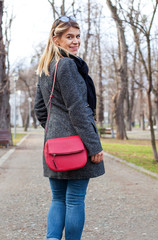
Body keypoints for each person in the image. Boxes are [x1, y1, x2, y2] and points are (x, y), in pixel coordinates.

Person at [34, 16, 105, 240]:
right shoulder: (67, 65)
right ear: (56, 39)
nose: (75, 42)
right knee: (74, 199)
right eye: (69, 37)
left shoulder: (46, 67)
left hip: (53, 145)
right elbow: (78, 108)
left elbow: (40, 110)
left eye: (77, 37)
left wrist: (56, 130)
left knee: (57, 199)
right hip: (77, 145)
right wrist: (93, 146)